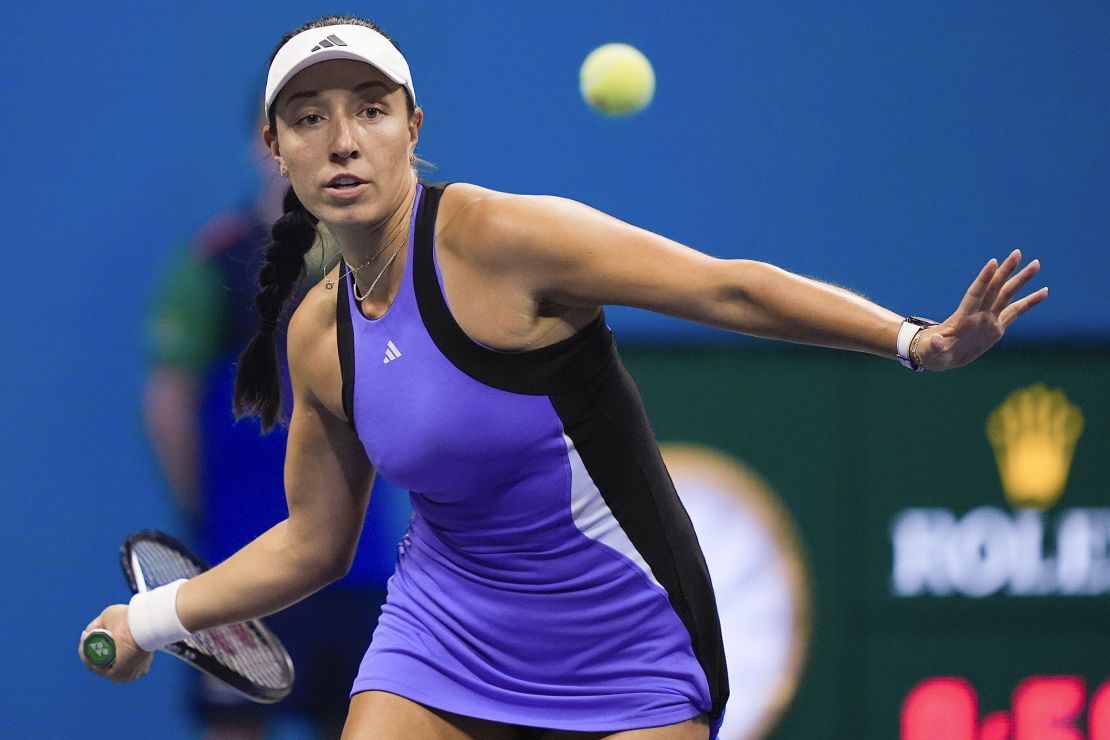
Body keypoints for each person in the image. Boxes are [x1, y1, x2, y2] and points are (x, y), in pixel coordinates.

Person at [81, 14, 1047, 740]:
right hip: (444, 629)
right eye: (309, 117)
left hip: (628, 634)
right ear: (275, 146)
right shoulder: (316, 334)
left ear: (412, 127)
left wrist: (917, 342)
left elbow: (730, 291)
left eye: (370, 111)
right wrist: (153, 617)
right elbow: (312, 544)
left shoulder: (505, 241)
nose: (342, 140)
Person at [143, 116, 409, 738]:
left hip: (357, 564)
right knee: (235, 727)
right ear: (265, 145)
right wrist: (209, 512)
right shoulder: (213, 263)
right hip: (241, 563)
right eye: (295, 125)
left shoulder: (371, 259)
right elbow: (167, 403)